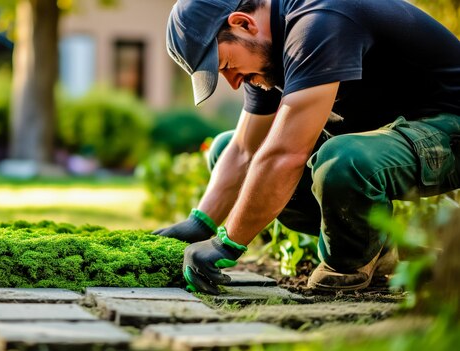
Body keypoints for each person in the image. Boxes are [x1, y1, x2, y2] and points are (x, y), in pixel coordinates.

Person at [155, 0, 460, 294]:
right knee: (224, 147)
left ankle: (349, 264)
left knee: (340, 160)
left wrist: (227, 244)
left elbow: (286, 154)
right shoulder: (265, 53)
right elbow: (243, 150)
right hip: (390, 136)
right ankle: (376, 249)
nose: (233, 83)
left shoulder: (321, 20)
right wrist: (200, 223)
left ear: (242, 23)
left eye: (225, 65)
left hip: (447, 127)